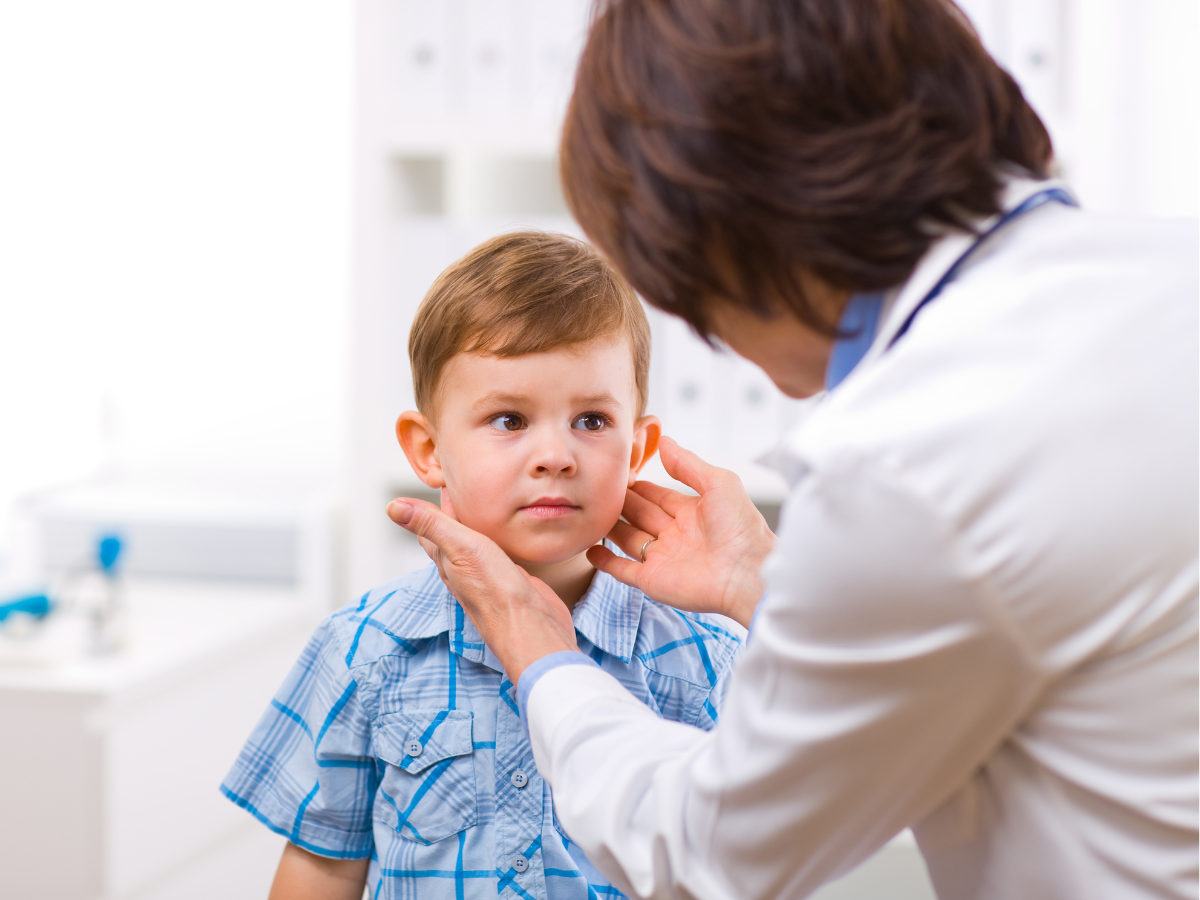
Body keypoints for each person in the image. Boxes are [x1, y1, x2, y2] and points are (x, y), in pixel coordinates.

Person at [385, 1, 1199, 899]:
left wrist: (540, 656)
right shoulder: (1166, 276)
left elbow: (713, 853)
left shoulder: (913, 460)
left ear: (723, 236)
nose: (718, 340)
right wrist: (759, 585)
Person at [221, 231, 744, 900]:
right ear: (429, 449)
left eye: (590, 420)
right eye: (508, 419)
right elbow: (323, 863)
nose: (555, 455)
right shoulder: (365, 649)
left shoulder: (703, 662)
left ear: (638, 446)